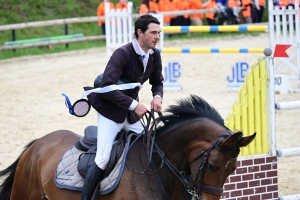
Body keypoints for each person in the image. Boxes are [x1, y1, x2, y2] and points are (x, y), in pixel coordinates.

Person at [81, 14, 164, 200]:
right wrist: (134, 104)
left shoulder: (154, 54)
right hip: (110, 112)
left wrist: (157, 97)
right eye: (153, 33)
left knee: (150, 149)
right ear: (140, 32)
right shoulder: (122, 53)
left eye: (159, 33)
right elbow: (106, 87)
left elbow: (157, 81)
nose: (157, 36)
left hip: (131, 116)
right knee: (102, 158)